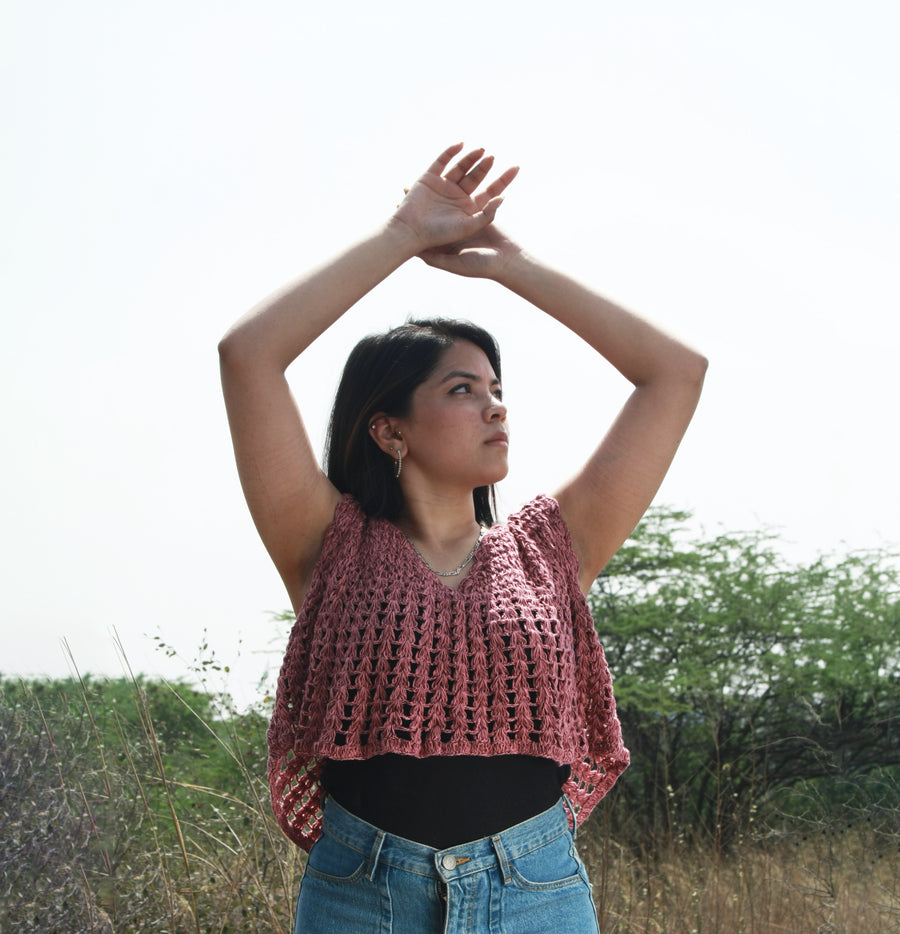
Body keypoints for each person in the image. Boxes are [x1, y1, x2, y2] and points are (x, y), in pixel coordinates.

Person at [219, 143, 707, 933]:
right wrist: (401, 235)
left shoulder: (552, 545)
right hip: (361, 895)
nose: (496, 408)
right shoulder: (324, 541)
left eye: (497, 390)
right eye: (462, 389)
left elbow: (676, 371)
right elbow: (248, 356)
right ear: (388, 428)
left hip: (534, 893)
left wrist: (510, 265)